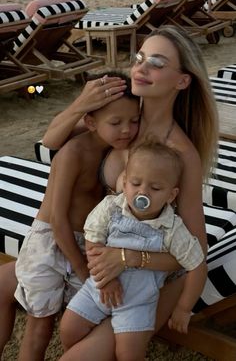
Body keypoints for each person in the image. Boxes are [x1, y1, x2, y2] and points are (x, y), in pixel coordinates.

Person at [0, 25, 219, 361]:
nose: (141, 68)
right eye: (140, 58)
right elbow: (51, 141)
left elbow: (195, 251)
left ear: (182, 81)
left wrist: (129, 259)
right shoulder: (122, 119)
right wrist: (80, 104)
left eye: (157, 63)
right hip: (103, 250)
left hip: (147, 274)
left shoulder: (178, 152)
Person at [0, 71, 140, 361]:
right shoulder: (73, 152)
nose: (126, 130)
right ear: (90, 122)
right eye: (116, 123)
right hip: (50, 241)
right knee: (40, 326)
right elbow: (57, 220)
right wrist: (80, 265)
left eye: (133, 121)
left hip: (85, 242)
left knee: (80, 321)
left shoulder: (115, 150)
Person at [59, 140, 207, 361]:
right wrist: (106, 280)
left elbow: (197, 265)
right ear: (125, 182)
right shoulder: (111, 208)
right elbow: (93, 241)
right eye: (135, 183)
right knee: (68, 328)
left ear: (171, 195)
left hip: (138, 302)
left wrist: (184, 308)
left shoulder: (172, 228)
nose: (143, 192)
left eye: (155, 188)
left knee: (129, 353)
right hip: (100, 287)